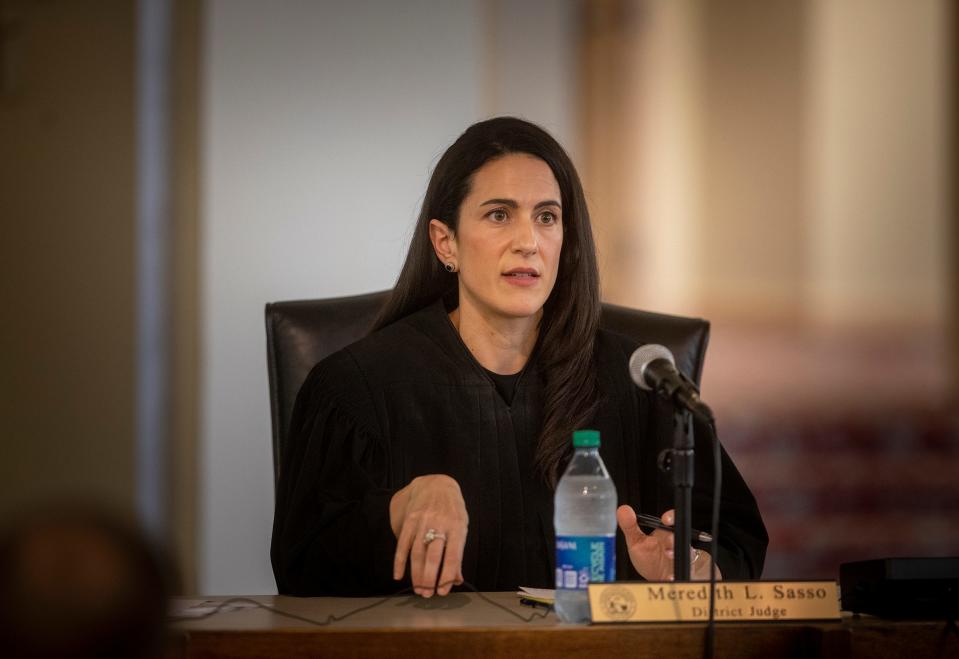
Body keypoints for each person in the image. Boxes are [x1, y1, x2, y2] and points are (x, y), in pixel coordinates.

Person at [271, 117, 767, 597]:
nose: (528, 242)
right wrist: (398, 511)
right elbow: (303, 570)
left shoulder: (636, 381)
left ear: (564, 242)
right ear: (446, 243)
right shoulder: (359, 387)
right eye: (498, 214)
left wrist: (697, 568)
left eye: (546, 217)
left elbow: (734, 537)